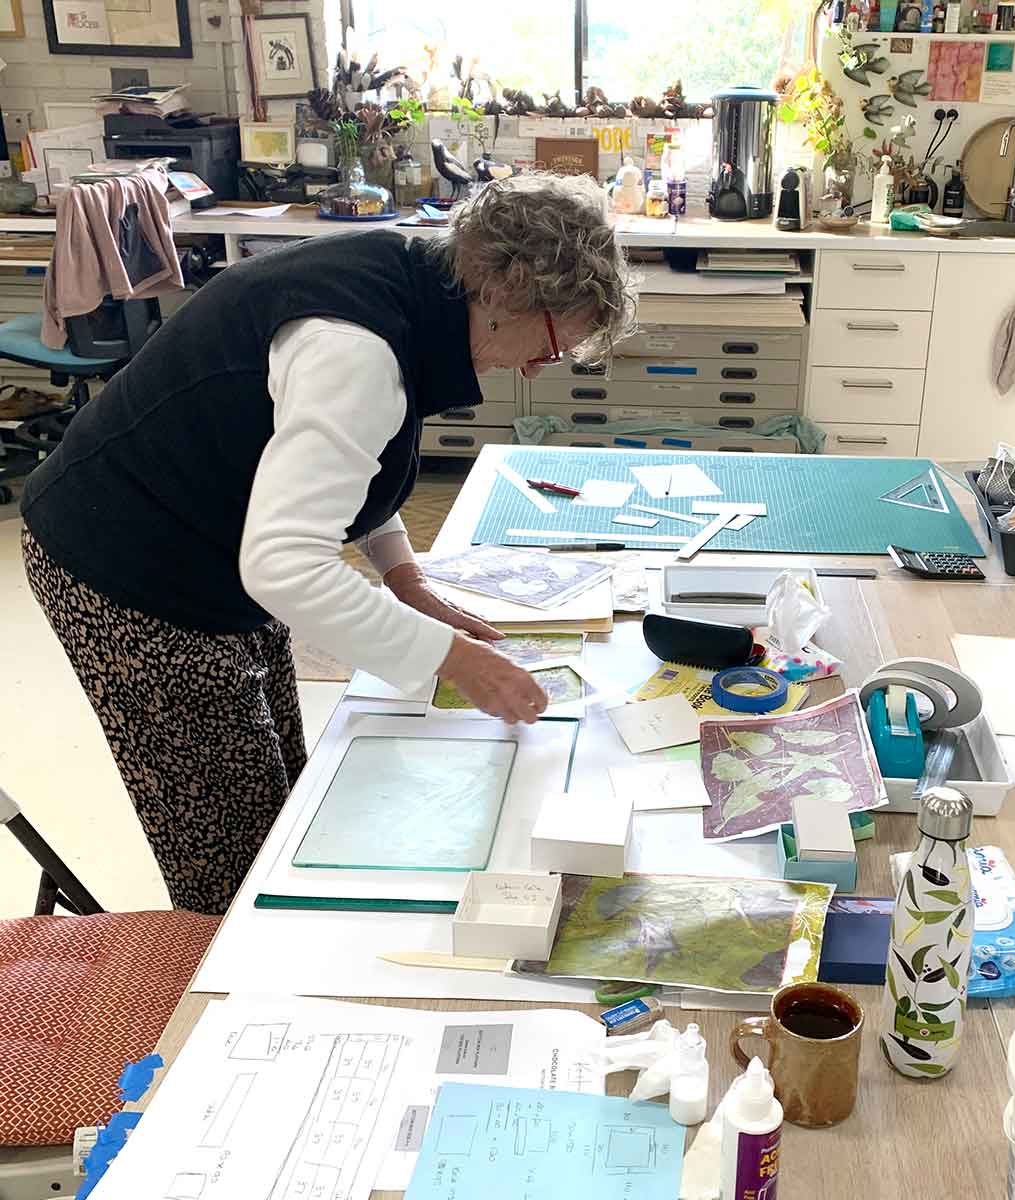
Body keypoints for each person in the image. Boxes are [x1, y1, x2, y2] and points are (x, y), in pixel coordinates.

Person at [20, 172, 636, 914]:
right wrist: (454, 659)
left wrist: (406, 581)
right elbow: (285, 566)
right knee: (232, 849)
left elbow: (346, 468)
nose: (537, 369)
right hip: (128, 564)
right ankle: (225, 961)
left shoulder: (412, 281)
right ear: (509, 291)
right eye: (551, 346)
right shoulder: (355, 350)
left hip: (213, 538)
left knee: (282, 786)